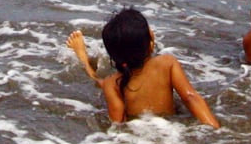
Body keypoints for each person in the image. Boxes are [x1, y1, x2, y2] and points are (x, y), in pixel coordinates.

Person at [67, 8, 219, 127]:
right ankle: (84, 57)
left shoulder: (111, 84)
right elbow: (191, 98)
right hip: (171, 129)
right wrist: (214, 127)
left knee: (98, 80)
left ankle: (83, 58)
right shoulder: (167, 63)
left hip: (141, 136)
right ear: (150, 43)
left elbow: (118, 124)